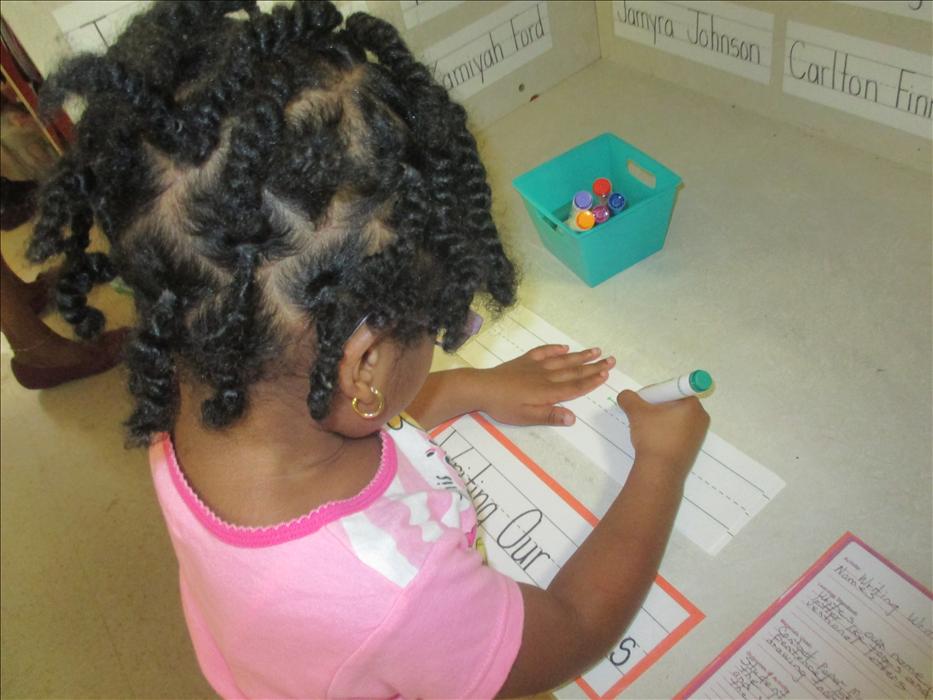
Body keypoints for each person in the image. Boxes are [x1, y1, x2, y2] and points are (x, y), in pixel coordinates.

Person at [27, 1, 709, 697]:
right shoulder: (395, 598)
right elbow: (567, 631)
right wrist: (658, 464)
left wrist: (473, 388)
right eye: (436, 325)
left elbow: (354, 413)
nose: (447, 339)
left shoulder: (191, 380)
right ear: (365, 368)